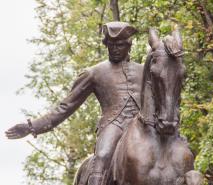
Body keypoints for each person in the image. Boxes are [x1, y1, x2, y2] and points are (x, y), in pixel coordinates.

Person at [5, 22, 144, 185]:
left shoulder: (144, 70)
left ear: (129, 45)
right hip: (115, 124)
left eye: (119, 45)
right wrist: (31, 126)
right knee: (103, 156)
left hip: (143, 125)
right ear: (106, 45)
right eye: (110, 45)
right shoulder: (94, 73)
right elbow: (65, 107)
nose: (114, 49)